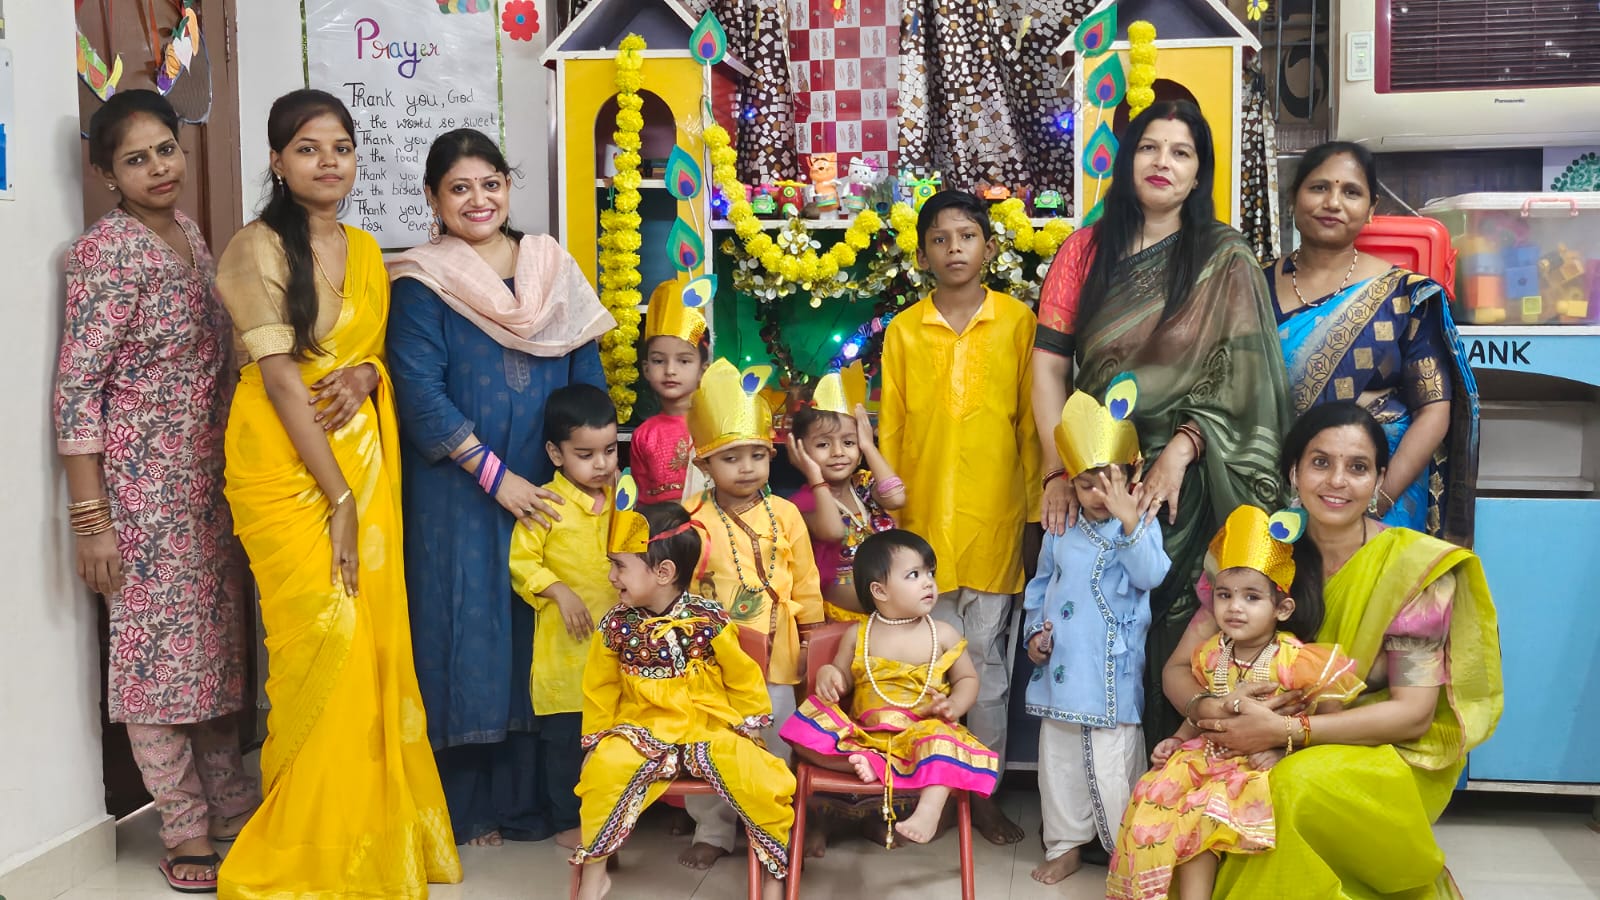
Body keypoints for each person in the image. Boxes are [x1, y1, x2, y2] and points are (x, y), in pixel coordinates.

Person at [213, 88, 460, 897]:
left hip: (361, 457)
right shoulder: (253, 249)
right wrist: (340, 500)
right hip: (285, 468)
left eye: (341, 148)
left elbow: (368, 355)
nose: (328, 162)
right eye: (308, 148)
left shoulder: (364, 250)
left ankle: (368, 833)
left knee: (370, 643)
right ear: (277, 162)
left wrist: (368, 374)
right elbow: (284, 382)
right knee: (325, 634)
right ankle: (310, 839)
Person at [1030, 100, 1292, 749]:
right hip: (1098, 476)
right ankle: (1100, 782)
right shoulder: (1084, 251)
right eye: (1149, 147)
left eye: (1181, 152)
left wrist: (1182, 447)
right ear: (1128, 159)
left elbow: (1244, 373)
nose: (1163, 162)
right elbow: (1049, 369)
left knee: (1177, 617)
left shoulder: (1224, 257)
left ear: (1199, 171)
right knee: (1097, 617)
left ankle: (1174, 774)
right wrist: (1060, 470)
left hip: (1190, 481)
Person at [1166, 402, 1502, 897]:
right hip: (1252, 740)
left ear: (1380, 479)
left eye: (1358, 467)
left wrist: (1287, 732)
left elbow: (1412, 715)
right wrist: (1209, 710)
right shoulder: (1259, 556)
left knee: (1289, 786)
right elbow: (1178, 667)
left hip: (1378, 750)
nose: (1337, 481)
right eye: (1320, 462)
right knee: (1184, 786)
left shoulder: (1410, 569)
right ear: (1293, 472)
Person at [54, 88, 258, 894]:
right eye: (135, 160)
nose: (158, 168)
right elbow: (77, 391)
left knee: (211, 650)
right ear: (108, 175)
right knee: (153, 662)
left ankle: (230, 804)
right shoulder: (104, 253)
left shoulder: (190, 234)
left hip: (208, 483)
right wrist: (91, 521)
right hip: (139, 494)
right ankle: (182, 825)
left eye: (165, 150)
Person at [386, 128, 613, 845]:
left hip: (551, 488)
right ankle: (469, 807)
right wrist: (496, 477)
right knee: (467, 627)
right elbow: (419, 393)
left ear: (509, 187)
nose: (478, 199)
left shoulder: (551, 267)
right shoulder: (421, 282)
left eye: (491, 183)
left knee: (542, 629)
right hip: (458, 495)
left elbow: (586, 378)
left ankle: (545, 800)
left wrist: (593, 471)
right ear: (433, 198)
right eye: (459, 188)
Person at [878, 189, 1041, 844]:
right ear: (922, 255)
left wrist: (1035, 515)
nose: (954, 249)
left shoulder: (1017, 323)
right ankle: (927, 791)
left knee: (988, 673)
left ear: (989, 248)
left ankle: (984, 794)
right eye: (940, 239)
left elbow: (1031, 426)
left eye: (967, 236)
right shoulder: (904, 330)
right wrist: (890, 513)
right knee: (921, 667)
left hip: (995, 521)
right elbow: (891, 426)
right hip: (921, 530)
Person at [1106, 504, 1366, 900]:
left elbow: (1327, 723)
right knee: (1153, 793)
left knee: (1204, 812)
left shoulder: (1296, 661)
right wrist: (1177, 739)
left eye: (1251, 597)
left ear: (1282, 608)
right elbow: (1203, 711)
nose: (1235, 607)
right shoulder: (1212, 653)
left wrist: (1283, 749)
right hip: (1205, 757)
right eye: (1224, 595)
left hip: (1256, 767)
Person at [572, 500, 794, 900]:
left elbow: (742, 677)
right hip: (640, 728)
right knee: (603, 771)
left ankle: (773, 873)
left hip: (708, 725)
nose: (611, 576)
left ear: (664, 572)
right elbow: (600, 689)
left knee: (760, 777)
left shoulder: (709, 620)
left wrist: (751, 726)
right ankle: (594, 875)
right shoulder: (616, 626)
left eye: (619, 566)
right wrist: (597, 740)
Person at [1269, 141, 1479, 542]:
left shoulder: (1405, 295)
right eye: (1318, 188)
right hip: (1272, 490)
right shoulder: (1251, 286)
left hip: (1381, 499)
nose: (1333, 202)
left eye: (1351, 192)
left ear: (1370, 208)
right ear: (1293, 197)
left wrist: (1373, 502)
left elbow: (1434, 411)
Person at [1019, 382, 1171, 885]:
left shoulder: (1140, 524)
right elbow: (1041, 586)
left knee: (1112, 765)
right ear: (1071, 483)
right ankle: (1064, 845)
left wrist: (1129, 523)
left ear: (1133, 476)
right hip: (1062, 666)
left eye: (1111, 484)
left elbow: (1151, 575)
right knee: (1059, 763)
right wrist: (1035, 637)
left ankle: (1125, 848)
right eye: (1087, 486)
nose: (1099, 496)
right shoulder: (1062, 526)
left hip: (1111, 673)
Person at [683, 359, 825, 868]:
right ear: (704, 465)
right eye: (731, 458)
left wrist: (809, 640)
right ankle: (714, 828)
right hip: (713, 659)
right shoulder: (691, 518)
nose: (746, 468)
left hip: (777, 655)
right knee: (714, 740)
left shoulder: (786, 514)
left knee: (777, 742)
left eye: (757, 456)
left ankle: (776, 824)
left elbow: (806, 581)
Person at [780, 529, 999, 847]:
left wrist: (954, 706)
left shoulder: (943, 633)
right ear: (880, 591)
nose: (928, 582)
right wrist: (830, 675)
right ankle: (877, 763)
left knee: (946, 746)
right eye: (914, 575)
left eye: (930, 573)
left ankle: (928, 811)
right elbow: (843, 676)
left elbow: (967, 679)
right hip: (868, 735)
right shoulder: (860, 634)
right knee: (803, 730)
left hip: (922, 733)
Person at [508, 384, 622, 850]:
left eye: (610, 450)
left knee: (613, 739)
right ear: (556, 454)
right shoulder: (545, 504)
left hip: (617, 649)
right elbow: (522, 563)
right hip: (566, 654)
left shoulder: (622, 499)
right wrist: (559, 591)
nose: (601, 464)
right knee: (566, 745)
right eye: (586, 454)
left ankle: (613, 817)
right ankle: (566, 822)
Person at [787, 363, 906, 624]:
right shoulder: (803, 502)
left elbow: (897, 498)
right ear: (800, 450)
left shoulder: (863, 486)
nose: (838, 452)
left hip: (888, 613)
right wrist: (814, 476)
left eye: (849, 442)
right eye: (823, 444)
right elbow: (833, 531)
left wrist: (868, 446)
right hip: (841, 621)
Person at [632, 277, 711, 504]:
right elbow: (641, 502)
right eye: (659, 361)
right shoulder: (643, 435)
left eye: (684, 361)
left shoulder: (714, 426)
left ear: (702, 370)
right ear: (646, 369)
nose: (670, 370)